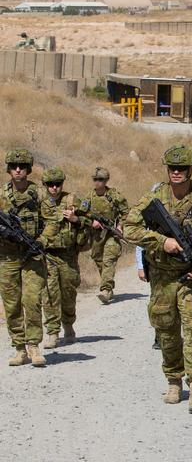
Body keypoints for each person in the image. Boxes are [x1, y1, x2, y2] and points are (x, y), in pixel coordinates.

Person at [124, 144, 192, 414]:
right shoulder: (154, 197)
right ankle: (173, 380)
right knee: (167, 332)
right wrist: (162, 241)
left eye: (183, 168)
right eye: (173, 168)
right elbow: (129, 227)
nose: (177, 173)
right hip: (162, 278)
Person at [0, 149, 47, 367]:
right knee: (12, 304)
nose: (18, 170)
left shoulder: (40, 194)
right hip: (7, 256)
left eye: (22, 167)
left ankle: (34, 345)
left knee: (32, 300)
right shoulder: (1, 196)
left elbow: (54, 220)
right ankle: (19, 348)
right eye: (13, 167)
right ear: (9, 170)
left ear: (28, 170)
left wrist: (42, 241)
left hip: (33, 255)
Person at [40, 167, 86, 349]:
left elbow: (91, 221)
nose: (54, 188)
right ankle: (52, 332)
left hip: (68, 255)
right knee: (49, 294)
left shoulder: (72, 200)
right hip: (48, 254)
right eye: (50, 185)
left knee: (68, 293)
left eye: (57, 184)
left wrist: (76, 220)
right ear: (45, 186)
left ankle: (68, 325)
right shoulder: (39, 204)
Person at [79, 167, 129, 305]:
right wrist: (91, 222)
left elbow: (126, 213)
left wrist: (120, 226)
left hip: (111, 234)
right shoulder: (88, 197)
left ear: (106, 180)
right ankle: (108, 284)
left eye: (100, 180)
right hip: (96, 235)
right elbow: (81, 215)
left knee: (108, 258)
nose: (97, 182)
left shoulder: (114, 196)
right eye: (95, 179)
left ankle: (106, 290)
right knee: (98, 258)